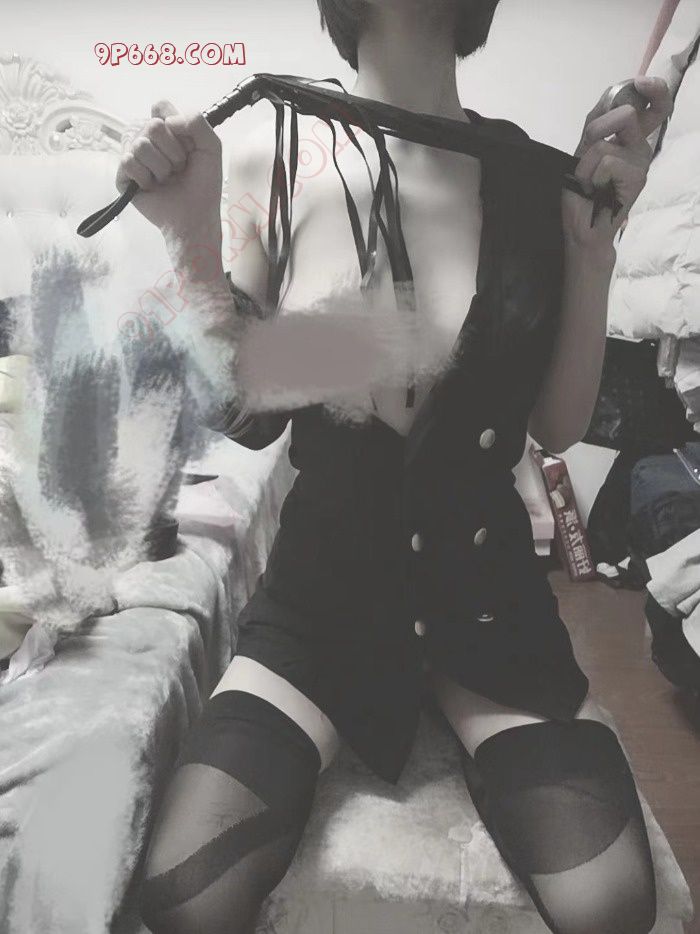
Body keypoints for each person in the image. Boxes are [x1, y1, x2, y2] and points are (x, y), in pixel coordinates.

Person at [122, 3, 672, 932]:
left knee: (609, 901)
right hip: (319, 602)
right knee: (187, 892)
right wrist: (188, 241)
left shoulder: (539, 182)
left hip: (489, 600)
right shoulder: (273, 157)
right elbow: (241, 416)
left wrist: (592, 254)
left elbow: (558, 425)